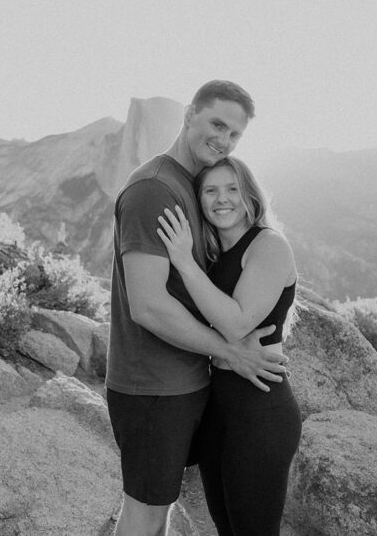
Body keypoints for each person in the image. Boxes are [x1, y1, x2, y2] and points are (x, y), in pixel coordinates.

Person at [106, 81, 287, 536]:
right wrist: (230, 352)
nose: (223, 140)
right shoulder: (154, 189)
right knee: (144, 516)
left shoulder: (191, 186)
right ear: (189, 115)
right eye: (217, 124)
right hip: (151, 385)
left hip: (184, 384)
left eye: (235, 135)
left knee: (159, 513)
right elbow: (148, 306)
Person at [156, 156, 301, 536]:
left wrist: (184, 263)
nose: (223, 199)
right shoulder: (214, 257)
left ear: (249, 195)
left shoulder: (268, 245)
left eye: (232, 188)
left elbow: (236, 323)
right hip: (218, 411)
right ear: (200, 200)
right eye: (211, 190)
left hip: (260, 413)